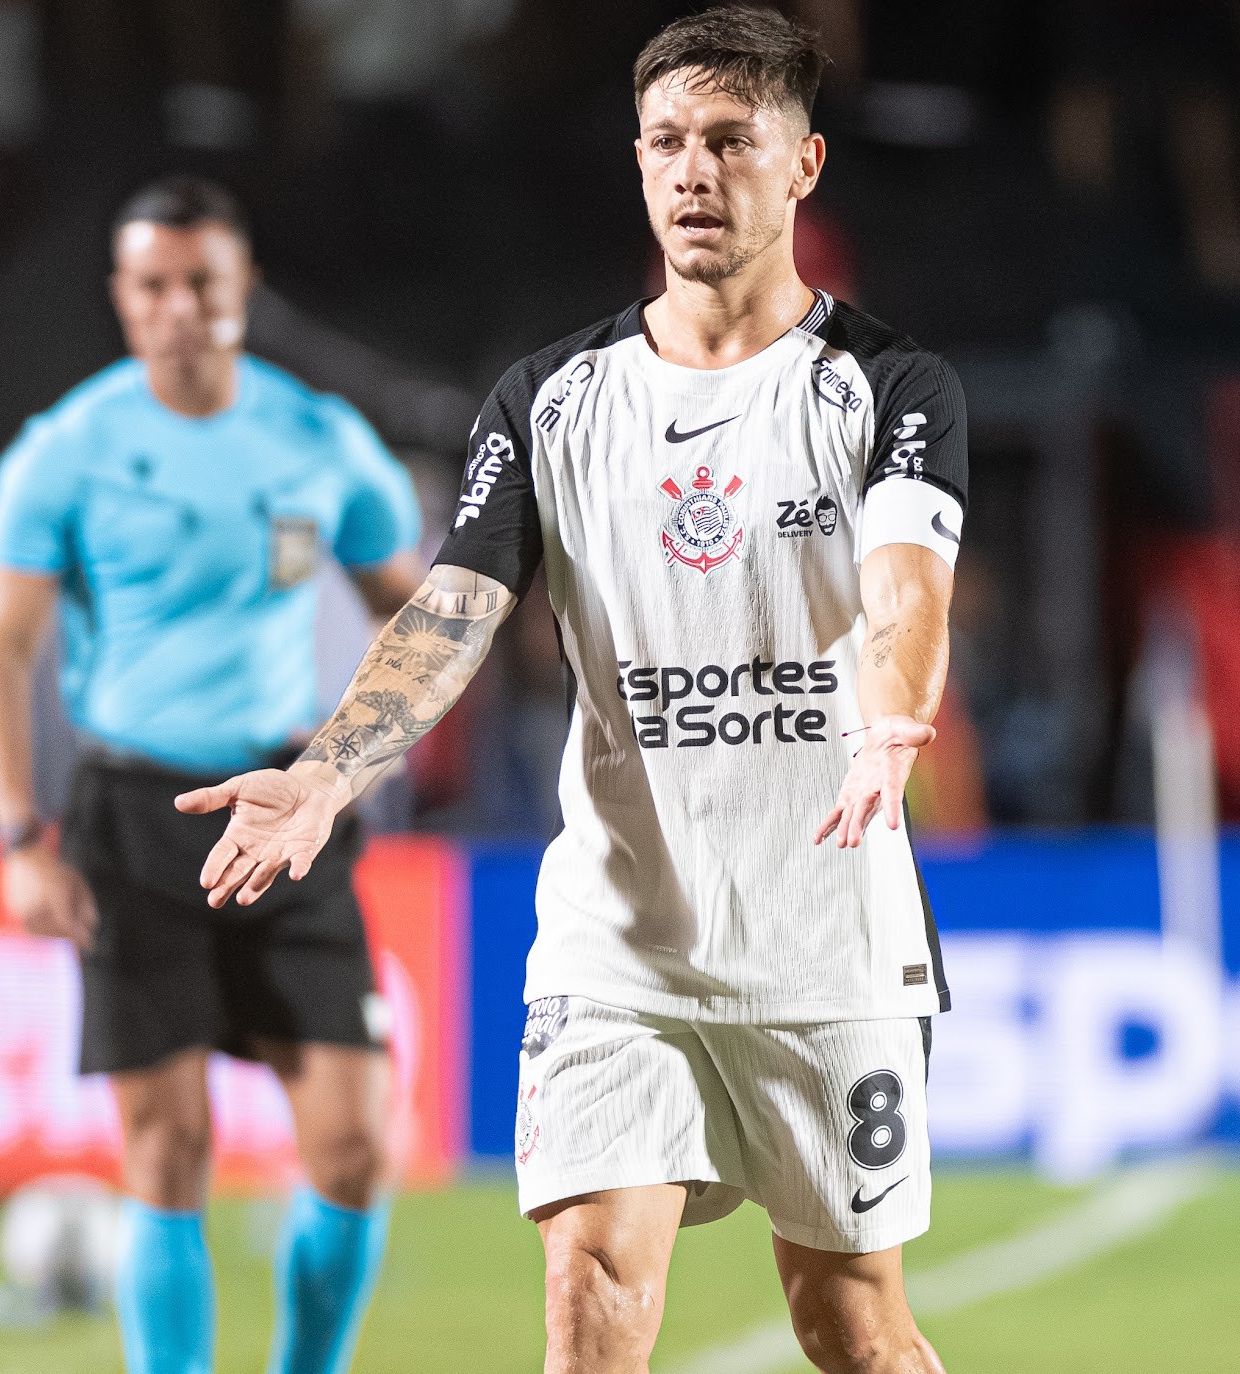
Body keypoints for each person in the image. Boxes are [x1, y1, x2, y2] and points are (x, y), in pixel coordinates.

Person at [180, 8, 964, 1371]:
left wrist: (891, 714)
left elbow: (906, 586)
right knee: (591, 1284)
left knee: (850, 1326)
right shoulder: (552, 400)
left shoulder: (888, 388)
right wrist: (325, 771)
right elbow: (453, 609)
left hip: (825, 933)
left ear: (804, 163)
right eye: (667, 141)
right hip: (619, 940)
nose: (694, 171)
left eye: (732, 140)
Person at [0, 175, 423, 1374]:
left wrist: (349, 758)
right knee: (166, 1152)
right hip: (133, 814)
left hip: (285, 809)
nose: (178, 308)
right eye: (153, 285)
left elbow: (422, 615)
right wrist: (17, 838)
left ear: (244, 288)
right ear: (122, 296)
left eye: (200, 284)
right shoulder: (67, 451)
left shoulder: (319, 439)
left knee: (355, 1144)